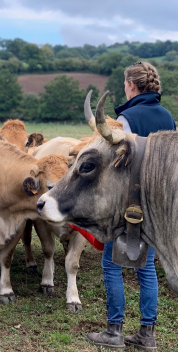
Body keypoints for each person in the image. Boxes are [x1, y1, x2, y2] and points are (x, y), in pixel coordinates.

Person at [87, 61, 176, 351]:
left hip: (128, 203)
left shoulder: (126, 120)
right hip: (156, 205)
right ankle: (147, 335)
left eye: (125, 84)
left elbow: (116, 164)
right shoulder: (168, 117)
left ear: (131, 86)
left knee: (112, 265)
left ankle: (114, 332)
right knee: (147, 267)